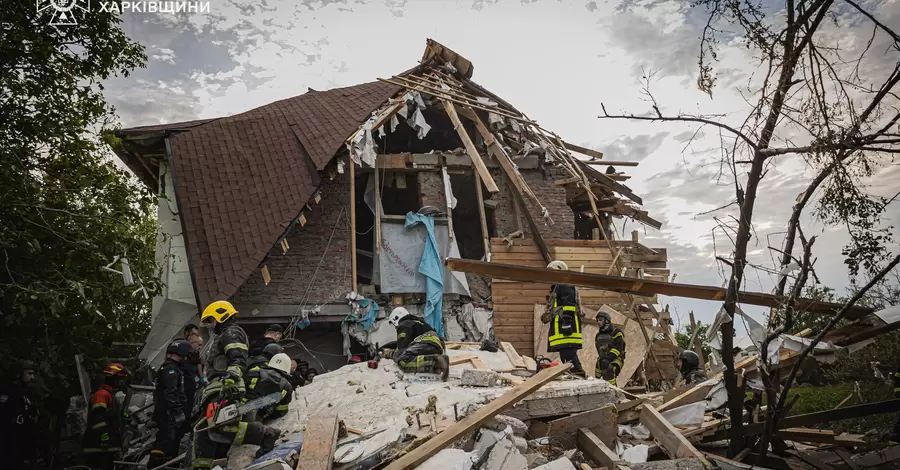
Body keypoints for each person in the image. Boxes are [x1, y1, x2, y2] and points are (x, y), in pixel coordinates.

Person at [192, 301, 281, 469]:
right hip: (215, 389)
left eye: (212, 320)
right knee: (204, 432)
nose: (211, 325)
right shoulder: (224, 335)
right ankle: (200, 466)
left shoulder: (232, 332)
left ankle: (266, 434)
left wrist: (231, 379)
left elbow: (238, 358)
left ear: (221, 315)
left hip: (225, 387)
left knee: (222, 427)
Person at [149, 339, 191, 469]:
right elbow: (170, 393)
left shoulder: (173, 368)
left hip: (168, 412)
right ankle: (155, 465)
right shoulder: (170, 369)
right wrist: (178, 411)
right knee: (165, 440)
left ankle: (165, 465)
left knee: (170, 441)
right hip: (168, 413)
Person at [541, 261, 586, 377]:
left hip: (566, 328)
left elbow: (569, 304)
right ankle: (576, 377)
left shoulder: (564, 284)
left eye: (552, 271)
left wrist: (566, 323)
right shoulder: (558, 286)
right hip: (562, 329)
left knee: (569, 356)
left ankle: (579, 376)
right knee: (566, 356)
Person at [82, 363, 129, 470]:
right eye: (121, 378)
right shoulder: (102, 395)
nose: (123, 382)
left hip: (105, 446)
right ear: (114, 378)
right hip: (98, 446)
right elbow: (97, 418)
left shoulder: (110, 395)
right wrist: (105, 439)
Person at [387, 307, 449, 381]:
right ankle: (438, 361)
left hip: (425, 341)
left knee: (403, 360)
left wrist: (390, 353)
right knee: (413, 357)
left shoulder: (404, 324)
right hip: (436, 345)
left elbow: (401, 349)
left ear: (396, 318)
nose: (395, 327)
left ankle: (436, 362)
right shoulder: (417, 322)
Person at [0, 360, 39, 470]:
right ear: (18, 374)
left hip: (24, 441)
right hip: (10, 442)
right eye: (29, 373)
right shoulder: (7, 392)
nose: (32, 377)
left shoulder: (26, 392)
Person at [245, 353, 294, 423]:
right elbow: (281, 411)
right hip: (256, 420)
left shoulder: (254, 370)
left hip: (237, 409)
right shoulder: (286, 386)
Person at [594, 310, 625, 385]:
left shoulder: (617, 332)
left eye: (600, 320)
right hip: (602, 360)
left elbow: (618, 348)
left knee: (608, 370)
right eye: (597, 320)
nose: (598, 322)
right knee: (597, 377)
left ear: (607, 321)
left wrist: (608, 358)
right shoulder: (598, 336)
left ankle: (613, 390)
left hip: (616, 359)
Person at [183, 332, 204, 415]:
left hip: (192, 383)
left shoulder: (196, 353)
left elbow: (198, 363)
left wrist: (201, 377)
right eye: (199, 345)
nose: (200, 347)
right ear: (192, 343)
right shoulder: (183, 351)